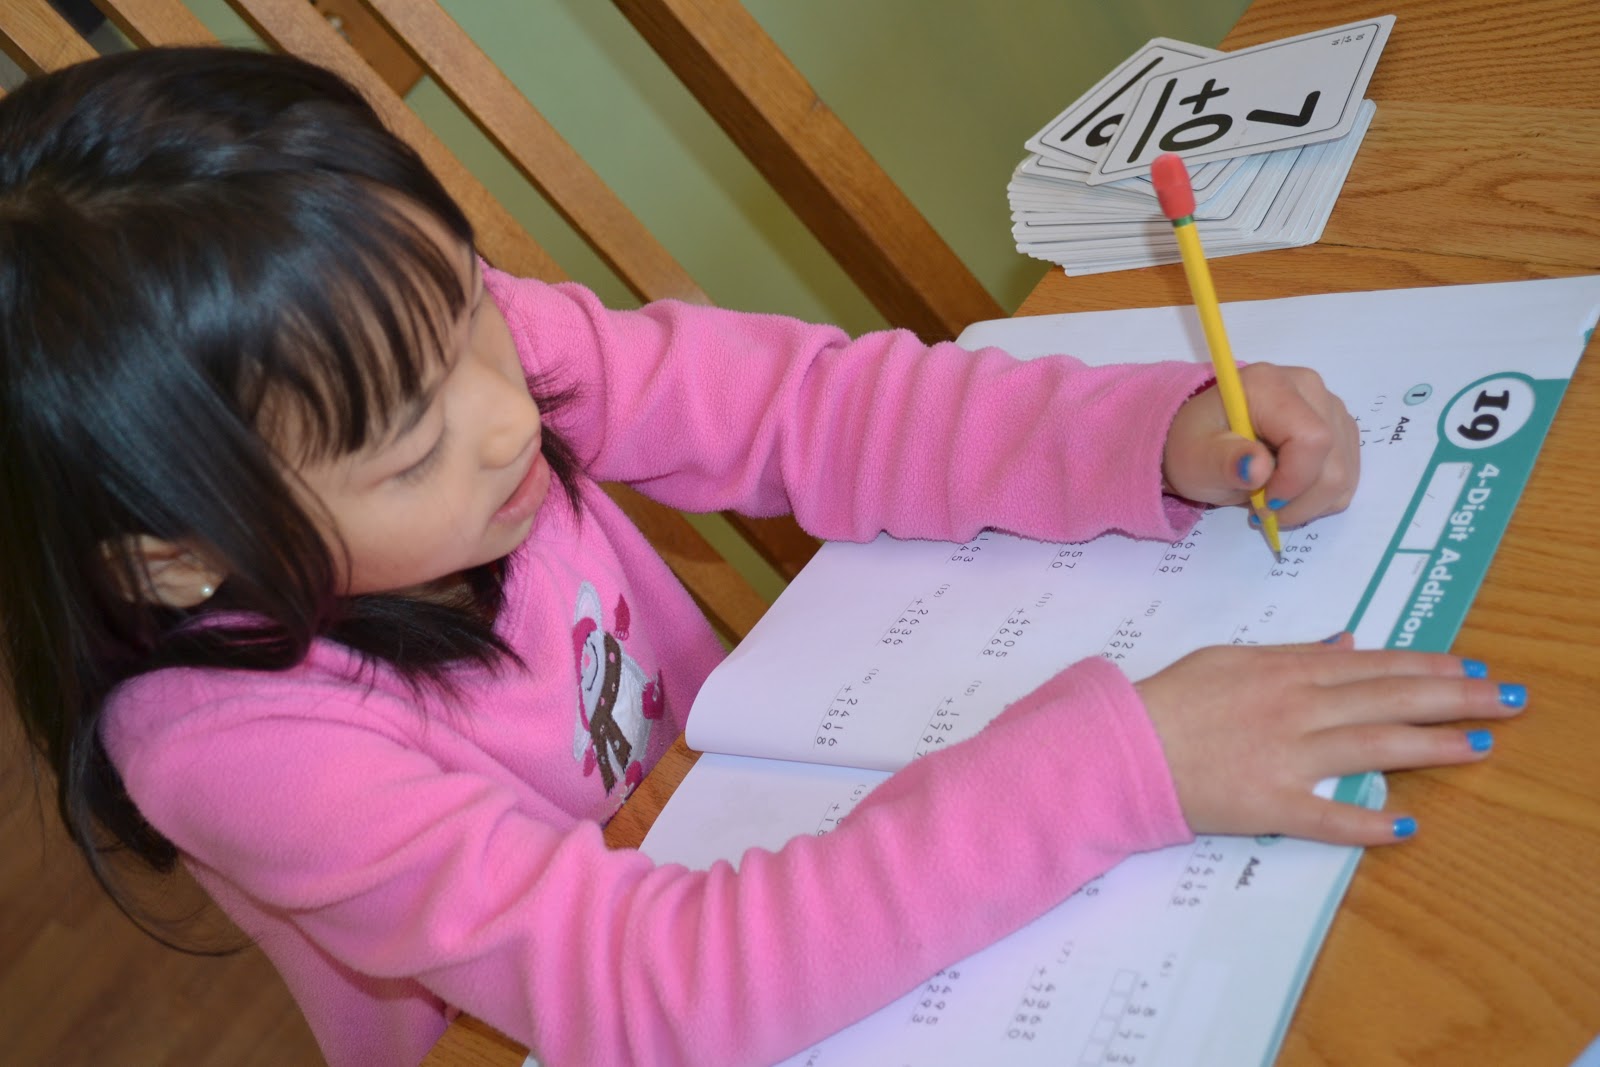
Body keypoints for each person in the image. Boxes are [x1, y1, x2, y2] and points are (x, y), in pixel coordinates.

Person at [0, 47, 1524, 1067]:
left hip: (749, 805)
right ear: (178, 563)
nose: (507, 414)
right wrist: (1117, 769)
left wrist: (1144, 434)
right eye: (408, 452)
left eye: (473, 307)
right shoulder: (235, 749)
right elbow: (643, 988)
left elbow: (812, 408)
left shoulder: (443, 360)